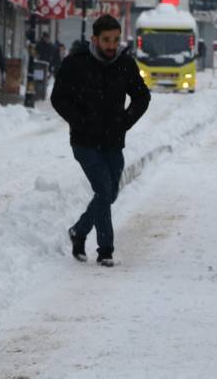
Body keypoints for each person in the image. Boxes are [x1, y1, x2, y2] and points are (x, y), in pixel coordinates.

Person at [52, 15, 151, 267]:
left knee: (110, 193)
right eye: (106, 40)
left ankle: (79, 230)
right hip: (84, 142)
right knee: (104, 191)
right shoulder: (76, 63)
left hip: (113, 141)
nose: (111, 45)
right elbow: (58, 98)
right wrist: (80, 120)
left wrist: (125, 121)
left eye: (116, 40)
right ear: (94, 39)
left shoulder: (125, 64)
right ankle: (105, 250)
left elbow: (142, 96)